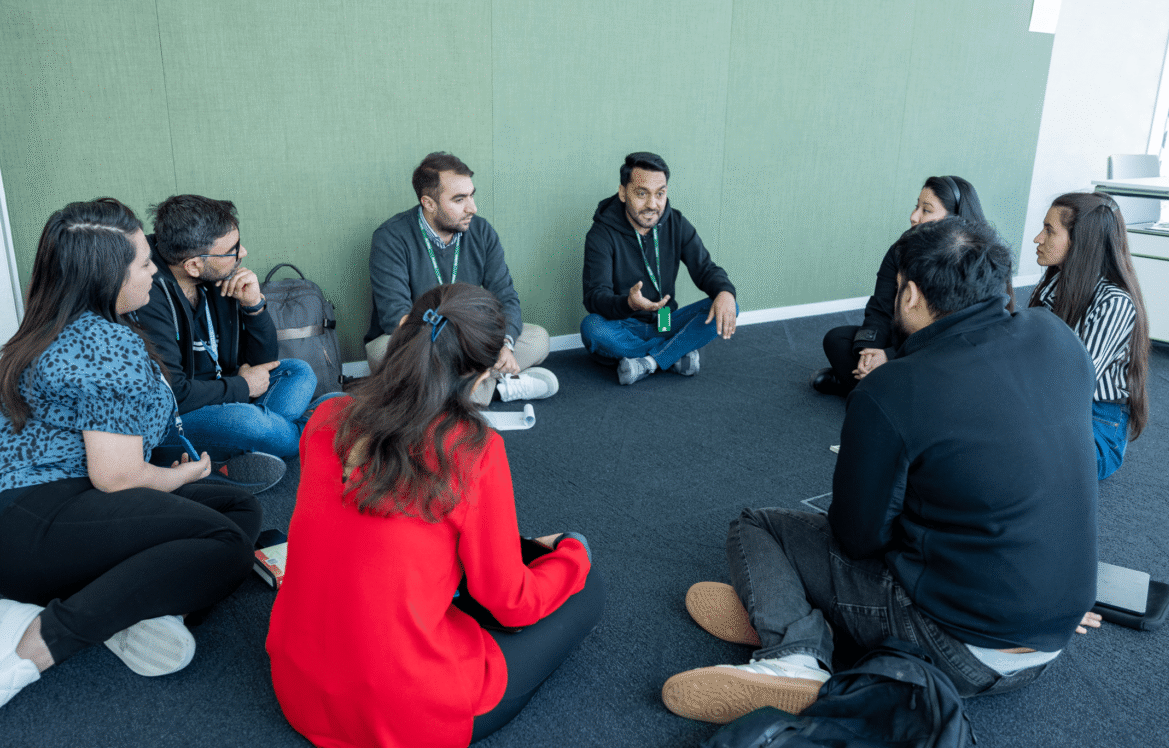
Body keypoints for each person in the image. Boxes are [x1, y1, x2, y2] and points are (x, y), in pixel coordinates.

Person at [661, 217, 1100, 724]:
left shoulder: (894, 389)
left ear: (910, 295)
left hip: (955, 649)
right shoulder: (1057, 336)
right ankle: (796, 610)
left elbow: (856, 539)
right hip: (1053, 638)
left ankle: (797, 656)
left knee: (759, 528)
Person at [268, 283, 604, 747]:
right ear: (484, 375)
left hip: (298, 688)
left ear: (402, 333)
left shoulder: (327, 417)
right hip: (402, 712)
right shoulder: (474, 450)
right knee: (585, 584)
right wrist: (570, 555)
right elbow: (509, 603)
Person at [0, 199, 261, 709]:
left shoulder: (43, 329)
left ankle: (130, 603)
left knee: (238, 506)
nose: (152, 271)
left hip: (35, 516)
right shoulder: (107, 342)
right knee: (226, 543)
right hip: (39, 522)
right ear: (105, 277)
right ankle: (37, 642)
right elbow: (117, 478)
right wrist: (180, 479)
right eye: (143, 262)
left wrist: (180, 479)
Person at [137, 194, 310, 492]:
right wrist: (243, 388)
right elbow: (174, 395)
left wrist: (254, 306)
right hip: (177, 415)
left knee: (298, 372)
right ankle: (313, 435)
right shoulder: (148, 297)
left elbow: (262, 364)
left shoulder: (218, 277)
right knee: (249, 423)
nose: (243, 251)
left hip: (225, 390)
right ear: (193, 265)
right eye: (231, 251)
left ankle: (250, 454)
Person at [365, 152, 558, 405]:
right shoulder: (390, 237)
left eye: (471, 195)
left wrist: (505, 344)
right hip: (416, 340)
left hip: (471, 337)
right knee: (382, 353)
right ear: (429, 203)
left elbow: (506, 297)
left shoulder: (481, 231)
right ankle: (494, 388)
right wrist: (461, 346)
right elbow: (397, 319)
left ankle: (442, 395)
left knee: (537, 339)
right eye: (459, 199)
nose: (472, 208)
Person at [810, 175, 989, 396]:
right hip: (901, 339)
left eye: (926, 210)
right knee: (837, 339)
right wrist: (871, 350)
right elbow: (880, 305)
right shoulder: (902, 247)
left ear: (955, 219)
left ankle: (859, 386)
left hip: (942, 349)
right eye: (916, 207)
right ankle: (873, 386)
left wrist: (890, 356)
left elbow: (957, 334)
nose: (914, 216)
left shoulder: (977, 263)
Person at [581, 152, 737, 385]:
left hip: (666, 321)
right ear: (623, 192)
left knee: (727, 304)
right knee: (592, 327)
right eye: (642, 194)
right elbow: (595, 297)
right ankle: (674, 355)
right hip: (624, 324)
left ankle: (648, 363)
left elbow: (705, 269)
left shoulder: (676, 223)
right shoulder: (601, 234)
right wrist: (629, 303)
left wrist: (725, 291)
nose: (652, 204)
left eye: (660, 194)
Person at [1029, 192, 1149, 480]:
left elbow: (1070, 384)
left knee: (1011, 456)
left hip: (1095, 422)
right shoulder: (1055, 283)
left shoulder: (1115, 302)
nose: (1037, 239)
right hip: (1051, 406)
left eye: (1049, 230)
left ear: (1081, 241)